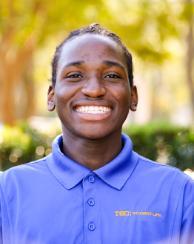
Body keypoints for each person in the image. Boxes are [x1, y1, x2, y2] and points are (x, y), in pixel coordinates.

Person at [0, 24, 193, 244]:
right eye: (74, 75)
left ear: (133, 96)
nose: (94, 89)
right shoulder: (8, 191)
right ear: (51, 96)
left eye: (111, 75)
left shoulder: (179, 192)